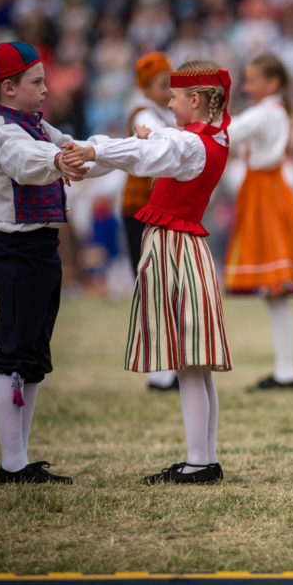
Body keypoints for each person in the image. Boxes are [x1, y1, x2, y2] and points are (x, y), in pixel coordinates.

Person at [62, 61, 233, 485]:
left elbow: (149, 153)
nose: (168, 105)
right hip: (187, 245)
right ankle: (204, 458)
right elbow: (160, 143)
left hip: (174, 246)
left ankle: (199, 462)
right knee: (197, 363)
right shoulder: (210, 136)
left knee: (189, 363)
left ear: (194, 100)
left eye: (173, 98)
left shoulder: (190, 144)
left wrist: (96, 150)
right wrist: (122, 142)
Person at [0, 41, 87, 484]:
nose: (46, 88)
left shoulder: (39, 126)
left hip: (42, 250)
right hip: (17, 253)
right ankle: (12, 465)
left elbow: (75, 149)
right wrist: (62, 159)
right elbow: (27, 165)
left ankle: (20, 458)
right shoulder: (5, 133)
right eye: (37, 81)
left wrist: (112, 152)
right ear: (8, 88)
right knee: (13, 356)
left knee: (34, 355)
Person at [224, 53, 293, 391]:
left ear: (273, 83)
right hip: (264, 190)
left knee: (275, 284)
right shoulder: (272, 112)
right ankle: (285, 370)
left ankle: (286, 371)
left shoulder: (267, 113)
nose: (247, 86)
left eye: (253, 80)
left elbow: (230, 133)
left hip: (265, 192)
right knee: (274, 289)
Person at [122, 51, 178, 392]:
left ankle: (164, 370)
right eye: (161, 85)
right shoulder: (145, 115)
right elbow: (161, 148)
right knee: (151, 285)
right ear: (145, 89)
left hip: (155, 208)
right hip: (141, 208)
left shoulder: (161, 114)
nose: (168, 90)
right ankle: (160, 372)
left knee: (160, 285)